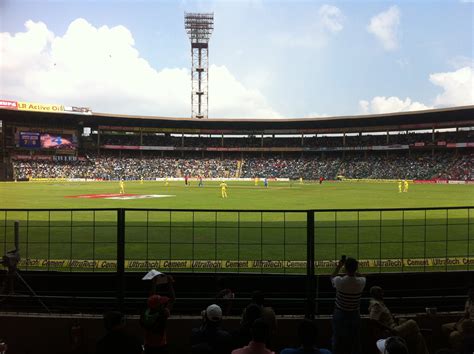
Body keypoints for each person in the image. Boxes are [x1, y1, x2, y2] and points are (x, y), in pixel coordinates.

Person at [368, 286, 429, 354]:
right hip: (391, 332)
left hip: (392, 328)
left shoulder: (379, 303)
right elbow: (373, 320)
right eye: (379, 291)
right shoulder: (377, 305)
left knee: (418, 336)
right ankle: (418, 331)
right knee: (412, 322)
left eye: (382, 291)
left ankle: (417, 332)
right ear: (374, 294)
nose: (382, 293)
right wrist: (390, 329)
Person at [330, 256, 366, 354]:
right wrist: (354, 271)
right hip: (354, 313)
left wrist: (339, 266)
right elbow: (362, 276)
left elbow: (332, 277)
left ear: (345, 268)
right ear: (356, 268)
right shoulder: (361, 282)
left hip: (340, 313)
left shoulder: (339, 281)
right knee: (355, 340)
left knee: (337, 339)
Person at [141, 275, 175, 354]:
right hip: (161, 345)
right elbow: (172, 299)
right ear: (160, 305)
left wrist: (154, 284)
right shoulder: (163, 313)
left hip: (148, 345)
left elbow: (151, 298)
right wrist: (170, 283)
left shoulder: (146, 313)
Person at [442, 287, 474, 352]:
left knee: (454, 335)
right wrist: (458, 323)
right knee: (444, 327)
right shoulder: (469, 301)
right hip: (466, 321)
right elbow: (465, 315)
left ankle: (459, 350)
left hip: (471, 324)